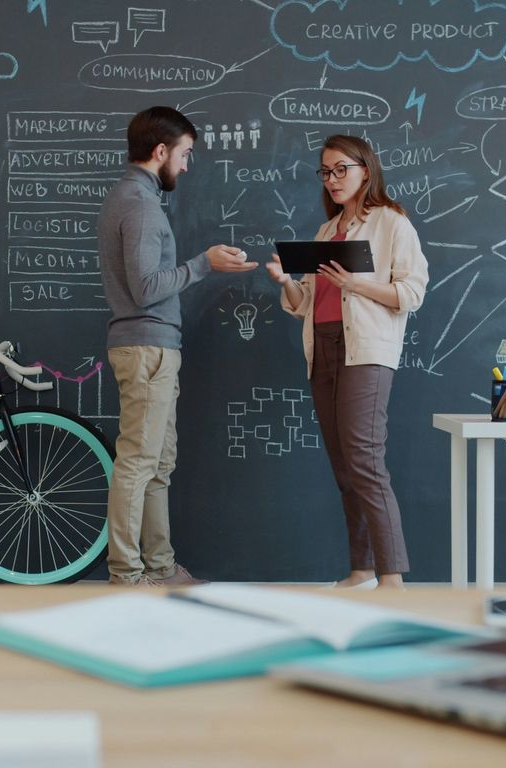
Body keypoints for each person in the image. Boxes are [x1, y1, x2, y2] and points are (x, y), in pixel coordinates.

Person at [99, 106, 258, 586]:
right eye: (185, 154)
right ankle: (127, 576)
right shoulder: (142, 206)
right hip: (147, 347)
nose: (187, 166)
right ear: (161, 151)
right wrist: (204, 263)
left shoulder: (130, 198)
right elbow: (147, 288)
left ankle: (161, 567)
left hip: (153, 346)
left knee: (158, 464)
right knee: (139, 462)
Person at [265, 134, 429, 590]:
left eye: (342, 169)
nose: (333, 179)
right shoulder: (326, 231)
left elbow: (410, 294)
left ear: (365, 170)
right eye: (326, 171)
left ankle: (392, 576)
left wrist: (356, 283)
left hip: (366, 350)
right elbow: (304, 303)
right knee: (343, 464)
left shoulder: (391, 223)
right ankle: (361, 569)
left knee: (365, 459)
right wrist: (285, 280)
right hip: (323, 347)